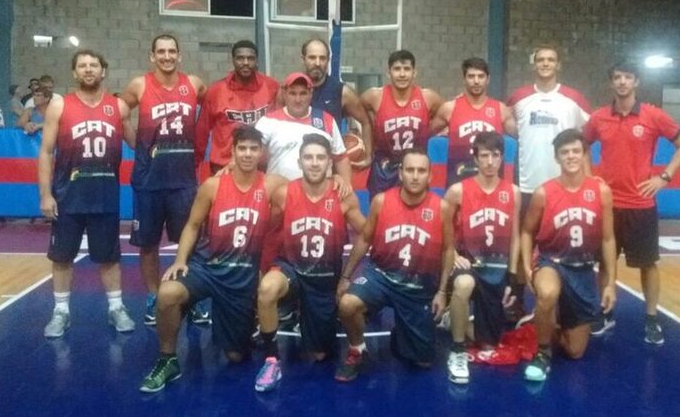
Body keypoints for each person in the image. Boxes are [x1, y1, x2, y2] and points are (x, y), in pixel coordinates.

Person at [139, 127, 287, 393]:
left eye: (254, 149)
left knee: (235, 356)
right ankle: (167, 360)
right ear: (232, 151)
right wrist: (180, 259)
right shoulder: (213, 185)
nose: (248, 154)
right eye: (242, 148)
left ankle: (240, 328)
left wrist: (337, 180)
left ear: (261, 153)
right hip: (207, 267)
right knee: (168, 292)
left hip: (241, 277)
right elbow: (193, 225)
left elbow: (304, 193)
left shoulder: (272, 184)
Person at [583, 61, 680, 344]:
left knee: (648, 264)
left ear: (636, 82)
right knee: (606, 263)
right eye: (617, 77)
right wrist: (589, 179)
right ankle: (606, 312)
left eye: (627, 77)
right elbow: (581, 145)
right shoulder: (599, 117)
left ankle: (652, 318)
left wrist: (664, 178)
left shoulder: (652, 115)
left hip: (641, 204)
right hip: (607, 205)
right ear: (611, 83)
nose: (622, 82)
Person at [254, 134, 366, 392]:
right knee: (268, 288)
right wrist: (262, 270)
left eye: (320, 158)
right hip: (291, 268)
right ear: (300, 161)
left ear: (329, 162)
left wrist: (347, 276)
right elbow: (265, 232)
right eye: (308, 157)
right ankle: (272, 359)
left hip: (324, 278)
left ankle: (314, 315)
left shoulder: (343, 196)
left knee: (318, 355)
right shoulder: (284, 193)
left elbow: (367, 235)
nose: (314, 163)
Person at [39, 50, 136, 338]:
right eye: (82, 66)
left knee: (109, 257)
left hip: (105, 195)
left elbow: (138, 143)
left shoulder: (118, 107)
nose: (88, 69)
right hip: (68, 196)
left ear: (103, 71)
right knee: (62, 256)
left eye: (94, 65)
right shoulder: (60, 106)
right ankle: (61, 311)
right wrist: (45, 195)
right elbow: (45, 152)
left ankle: (116, 307)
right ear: (74, 73)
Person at [335, 148, 454, 382]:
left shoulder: (441, 208)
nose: (415, 176)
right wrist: (346, 277)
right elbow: (365, 239)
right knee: (348, 304)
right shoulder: (382, 201)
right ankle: (357, 350)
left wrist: (442, 291)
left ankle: (402, 334)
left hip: (418, 285)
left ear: (430, 176)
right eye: (410, 170)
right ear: (400, 173)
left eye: (421, 171)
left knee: (423, 361)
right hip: (381, 276)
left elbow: (448, 249)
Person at [121, 34, 208, 326]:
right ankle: (153, 296)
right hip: (149, 180)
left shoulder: (194, 84)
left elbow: (212, 110)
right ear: (152, 56)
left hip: (183, 179)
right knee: (148, 245)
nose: (167, 56)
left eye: (172, 51)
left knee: (190, 241)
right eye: (161, 51)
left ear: (179, 56)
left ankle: (190, 295)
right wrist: (136, 144)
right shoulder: (140, 85)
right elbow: (119, 115)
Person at [520, 129, 616, 382]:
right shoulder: (544, 193)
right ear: (557, 158)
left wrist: (610, 284)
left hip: (583, 269)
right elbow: (527, 231)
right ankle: (542, 353)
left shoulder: (600, 191)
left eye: (576, 151)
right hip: (551, 261)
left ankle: (548, 320)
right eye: (565, 152)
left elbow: (608, 239)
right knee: (548, 292)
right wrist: (527, 268)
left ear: (585, 155)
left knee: (575, 352)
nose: (571, 156)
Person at [442, 131, 521, 384]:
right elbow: (440, 229)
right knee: (464, 285)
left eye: (495, 155)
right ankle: (457, 350)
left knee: (488, 343)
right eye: (484, 155)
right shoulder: (457, 191)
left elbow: (516, 235)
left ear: (502, 158)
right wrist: (453, 254)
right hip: (467, 263)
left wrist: (512, 275)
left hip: (496, 269)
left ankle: (452, 317)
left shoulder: (513, 192)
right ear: (474, 158)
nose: (489, 162)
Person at [507, 45, 591, 213]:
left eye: (550, 60)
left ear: (558, 65)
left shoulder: (574, 98)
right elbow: (499, 116)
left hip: (566, 182)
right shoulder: (518, 97)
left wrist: (588, 179)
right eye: (540, 60)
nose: (545, 64)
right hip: (528, 182)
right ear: (534, 65)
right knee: (528, 233)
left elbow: (586, 141)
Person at [360, 50, 443, 198]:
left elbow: (446, 115)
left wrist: (431, 130)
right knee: (382, 213)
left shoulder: (428, 97)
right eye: (397, 69)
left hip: (415, 166)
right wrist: (367, 129)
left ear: (414, 72)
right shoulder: (374, 96)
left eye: (407, 69)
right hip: (384, 167)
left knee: (415, 213)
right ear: (389, 72)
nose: (402, 74)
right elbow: (357, 111)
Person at [195, 40, 279, 173]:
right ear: (233, 60)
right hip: (223, 167)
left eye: (250, 58)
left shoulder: (272, 87)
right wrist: (196, 165)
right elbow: (201, 133)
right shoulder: (216, 91)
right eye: (240, 58)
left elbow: (280, 125)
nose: (245, 62)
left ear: (257, 61)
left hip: (260, 168)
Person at [431, 58, 516, 187]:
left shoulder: (501, 109)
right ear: (464, 79)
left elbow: (518, 137)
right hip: (458, 177)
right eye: (471, 76)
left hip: (490, 179)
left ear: (488, 79)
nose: (476, 81)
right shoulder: (450, 108)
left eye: (481, 76)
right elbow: (427, 134)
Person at [255, 72, 351, 184]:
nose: (298, 100)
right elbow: (251, 153)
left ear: (311, 94)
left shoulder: (326, 120)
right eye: (292, 93)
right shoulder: (268, 121)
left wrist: (347, 186)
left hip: (318, 195)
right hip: (279, 195)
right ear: (284, 94)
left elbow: (341, 158)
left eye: (303, 93)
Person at [299, 38, 373, 166]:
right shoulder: (290, 90)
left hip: (330, 166)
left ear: (328, 60)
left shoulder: (342, 92)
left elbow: (366, 122)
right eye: (312, 57)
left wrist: (368, 157)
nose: (317, 63)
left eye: (322, 58)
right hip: (298, 161)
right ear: (303, 59)